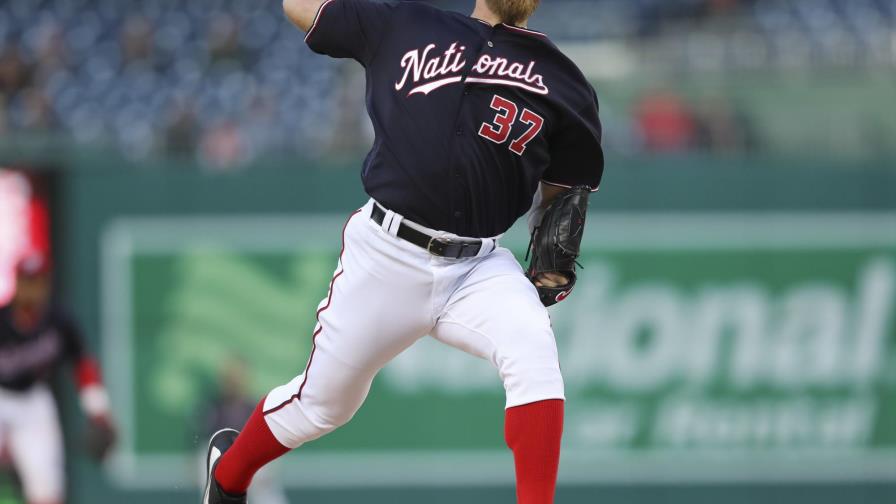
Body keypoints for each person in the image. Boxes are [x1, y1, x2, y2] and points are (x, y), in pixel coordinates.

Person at [202, 1, 604, 503]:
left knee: (533, 349)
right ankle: (227, 479)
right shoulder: (407, 23)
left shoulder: (562, 80)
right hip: (388, 255)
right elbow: (299, 7)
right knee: (323, 406)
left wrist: (551, 249)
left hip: (478, 267)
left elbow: (564, 189)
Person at [0, 253, 116, 504]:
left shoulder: (59, 321)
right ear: (17, 283)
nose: (33, 289)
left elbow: (83, 365)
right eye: (28, 281)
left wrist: (98, 412)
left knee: (46, 491)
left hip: (32, 401)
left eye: (38, 281)